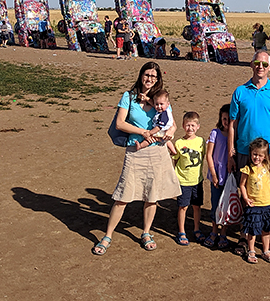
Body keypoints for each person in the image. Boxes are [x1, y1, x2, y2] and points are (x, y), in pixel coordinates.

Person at [92, 62, 181, 256]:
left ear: (158, 79)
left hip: (157, 152)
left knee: (152, 196)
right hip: (135, 151)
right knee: (123, 196)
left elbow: (171, 122)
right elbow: (120, 123)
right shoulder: (129, 97)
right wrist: (143, 132)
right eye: (147, 75)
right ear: (141, 75)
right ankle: (107, 235)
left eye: (154, 76)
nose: (149, 79)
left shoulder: (160, 98)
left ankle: (146, 232)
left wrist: (172, 131)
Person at [228, 50, 270, 257]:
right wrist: (231, 151)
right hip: (245, 151)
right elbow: (232, 124)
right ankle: (244, 233)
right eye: (257, 63)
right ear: (251, 64)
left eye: (265, 64)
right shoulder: (240, 91)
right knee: (246, 191)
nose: (261, 67)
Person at [238, 138, 270, 264]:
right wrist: (246, 198)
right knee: (252, 230)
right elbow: (242, 185)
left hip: (267, 204)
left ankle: (265, 250)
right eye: (254, 154)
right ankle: (251, 250)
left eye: (260, 155)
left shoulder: (268, 167)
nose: (256, 157)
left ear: (265, 156)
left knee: (266, 229)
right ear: (250, 153)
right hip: (254, 205)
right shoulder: (247, 169)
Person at [167, 111, 205, 246]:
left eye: (193, 125)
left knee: (197, 206)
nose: (190, 128)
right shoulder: (178, 143)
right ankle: (182, 231)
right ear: (183, 126)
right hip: (183, 181)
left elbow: (203, 157)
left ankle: (196, 229)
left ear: (198, 126)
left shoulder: (201, 142)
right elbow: (175, 160)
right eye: (188, 125)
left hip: (197, 181)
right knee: (183, 206)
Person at [203, 103, 231, 249]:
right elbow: (209, 155)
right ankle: (214, 231)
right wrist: (213, 174)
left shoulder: (236, 135)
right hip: (216, 175)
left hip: (230, 177)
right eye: (224, 118)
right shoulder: (215, 133)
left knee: (226, 206)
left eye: (229, 118)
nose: (226, 121)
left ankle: (224, 233)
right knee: (215, 204)